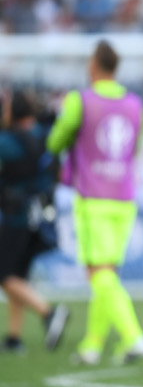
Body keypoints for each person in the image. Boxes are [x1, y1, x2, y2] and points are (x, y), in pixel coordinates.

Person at [47, 40, 143, 366]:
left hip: (93, 196)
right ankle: (92, 345)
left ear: (94, 65)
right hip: (124, 195)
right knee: (107, 274)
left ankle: (134, 337)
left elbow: (55, 140)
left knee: (98, 272)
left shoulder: (81, 100)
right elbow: (136, 147)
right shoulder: (136, 105)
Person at [0, 90, 69, 354]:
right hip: (41, 215)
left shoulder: (8, 141)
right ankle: (14, 337)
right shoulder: (46, 134)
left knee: (4, 274)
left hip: (17, 216)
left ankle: (48, 312)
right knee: (17, 274)